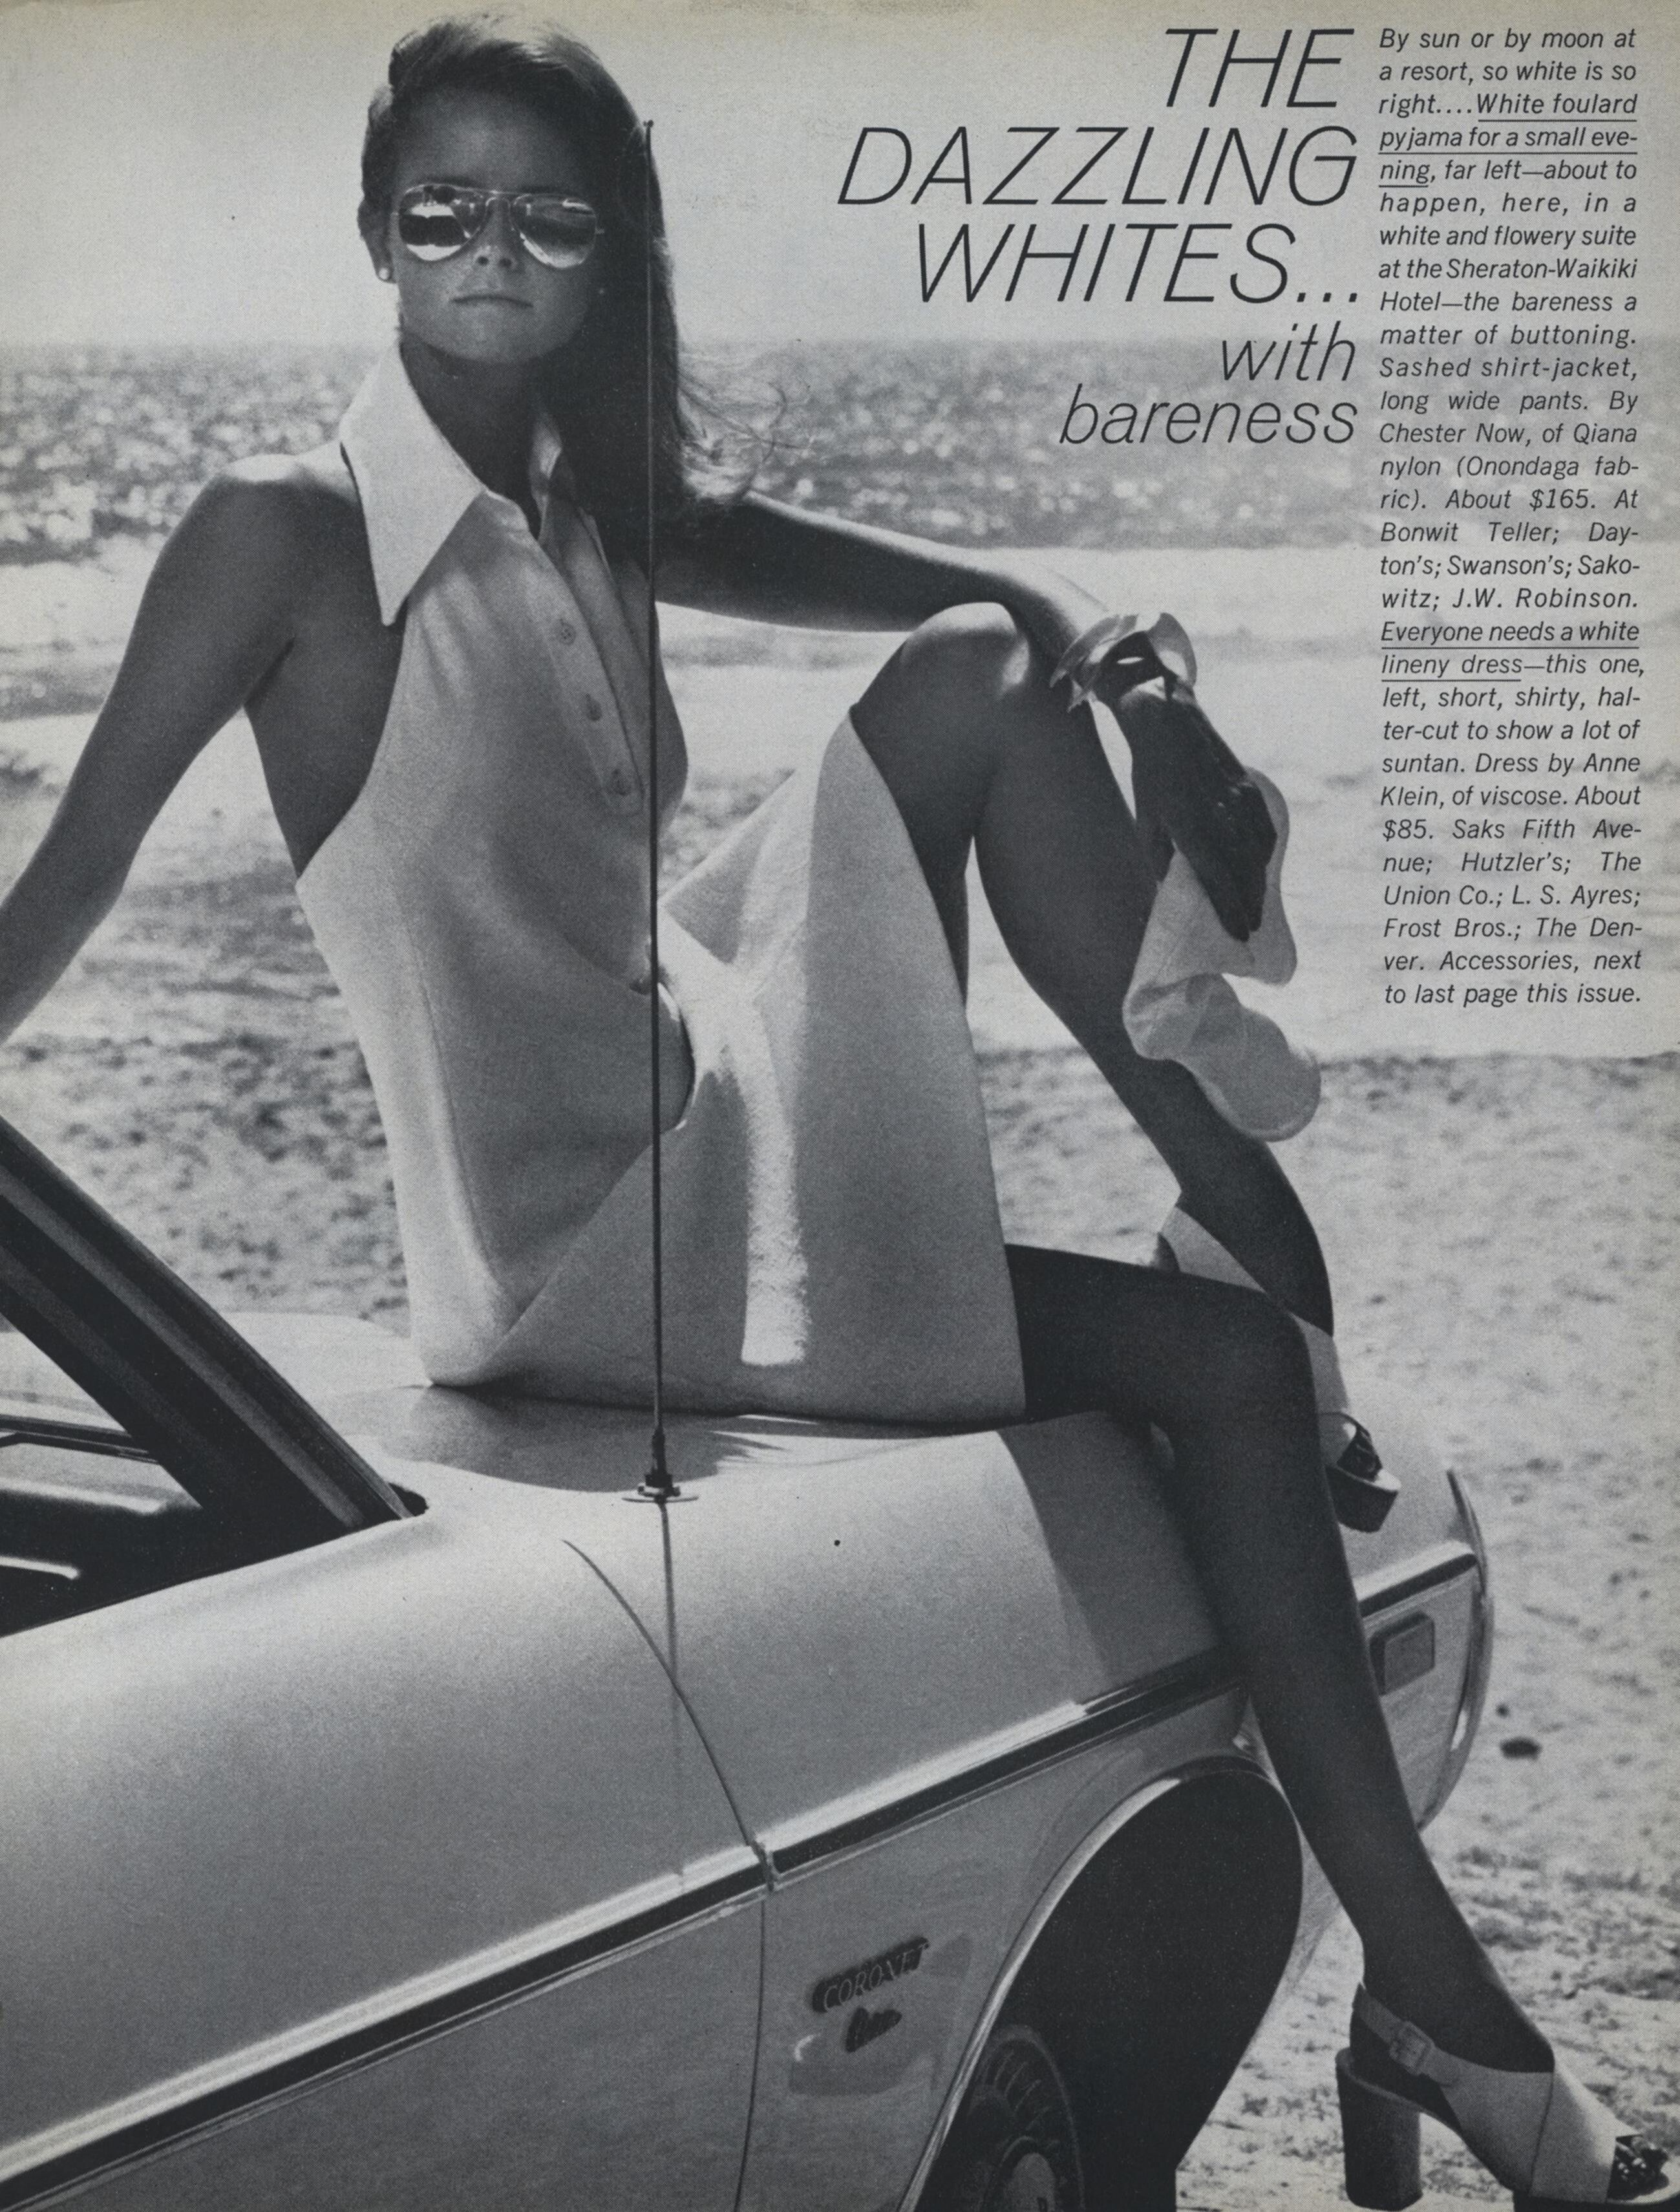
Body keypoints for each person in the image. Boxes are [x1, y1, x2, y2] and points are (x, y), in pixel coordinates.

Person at [0, 19, 1669, 2205]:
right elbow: (77, 869)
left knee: (987, 671)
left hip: (713, 1098)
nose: (491, 250)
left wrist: (1124, 663)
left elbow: (979, 606)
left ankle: (1256, 1272)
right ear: (373, 239)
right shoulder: (276, 534)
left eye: (549, 217)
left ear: (612, 253)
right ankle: (1434, 1991)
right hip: (576, 1253)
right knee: (1236, 1366)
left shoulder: (598, 508)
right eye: (444, 211)